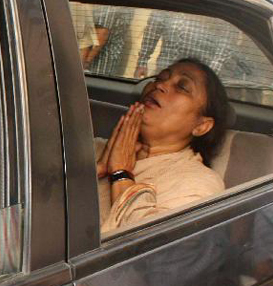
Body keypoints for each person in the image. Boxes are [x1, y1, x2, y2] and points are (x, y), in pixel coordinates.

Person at [96, 59, 228, 232]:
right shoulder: (96, 147)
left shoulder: (200, 185)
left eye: (182, 87)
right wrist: (98, 169)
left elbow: (150, 247)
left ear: (201, 126)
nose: (160, 85)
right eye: (160, 77)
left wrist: (121, 174)